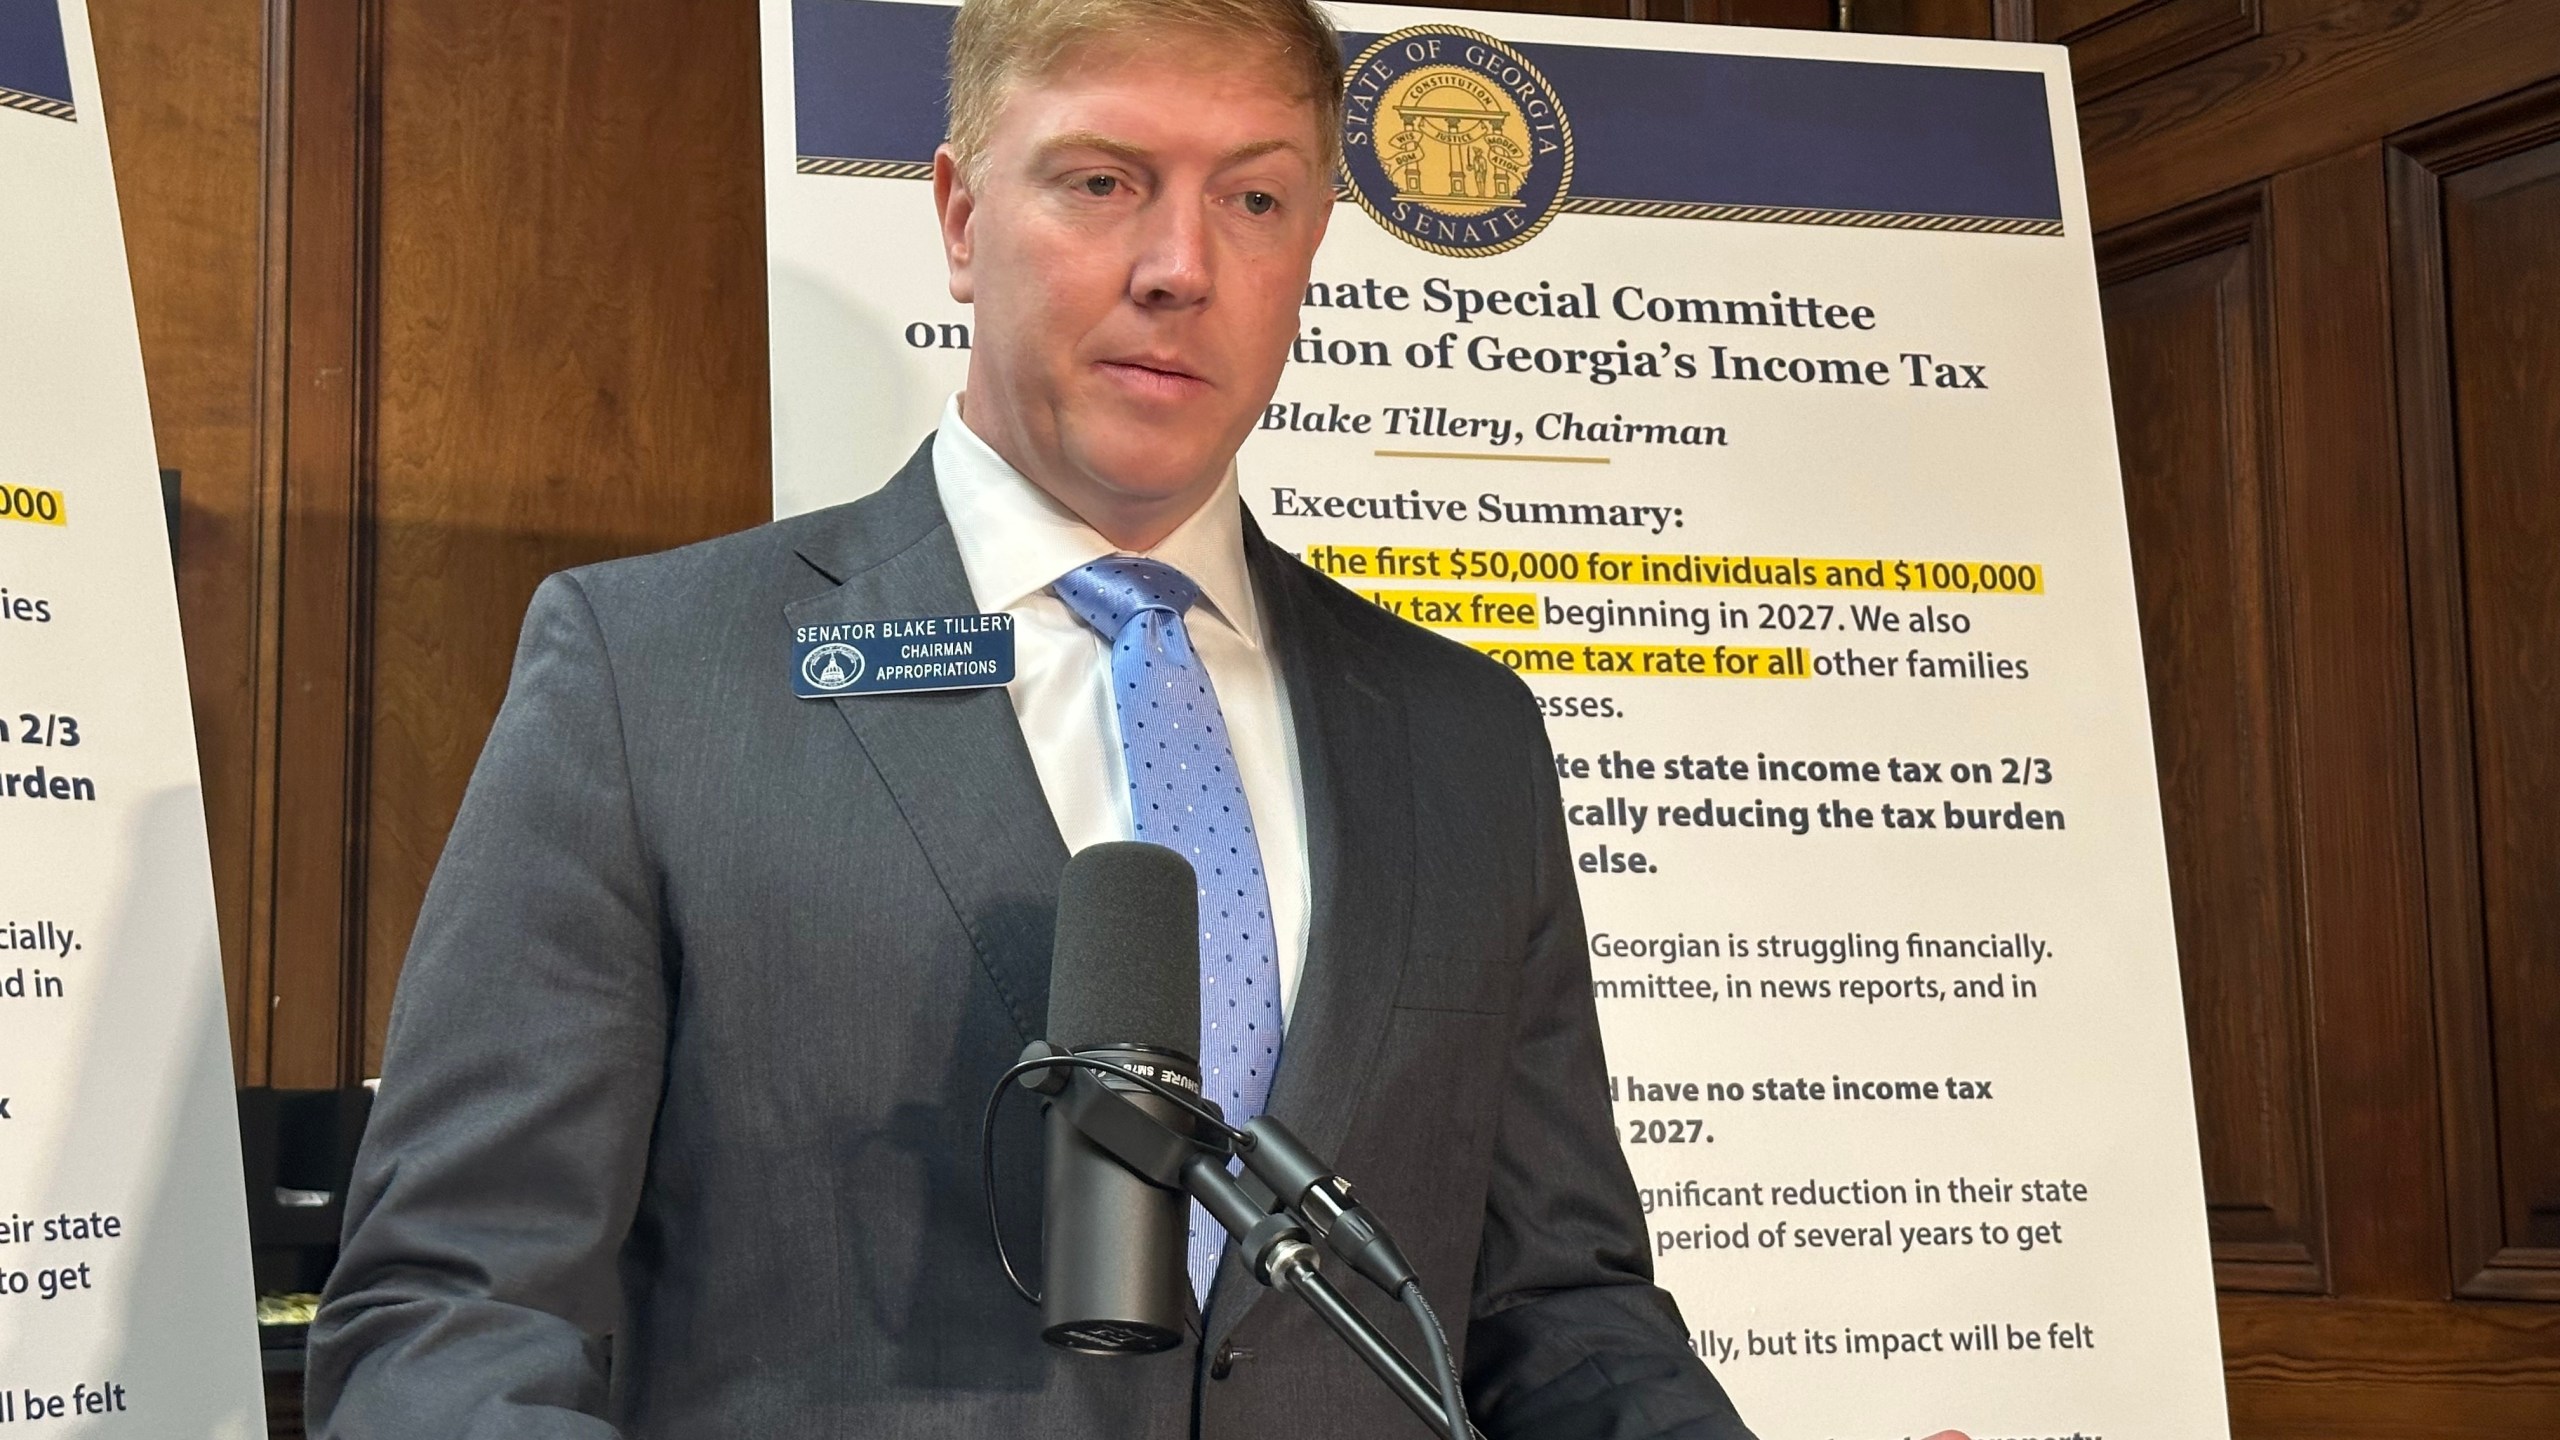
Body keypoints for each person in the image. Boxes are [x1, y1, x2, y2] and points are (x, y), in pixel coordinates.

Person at [310, 2, 1968, 1437]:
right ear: (961, 217)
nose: (1182, 268)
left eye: (1255, 198)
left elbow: (1558, 1312)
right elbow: (456, 1305)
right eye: (1103, 182)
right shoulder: (652, 673)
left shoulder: (1463, 736)